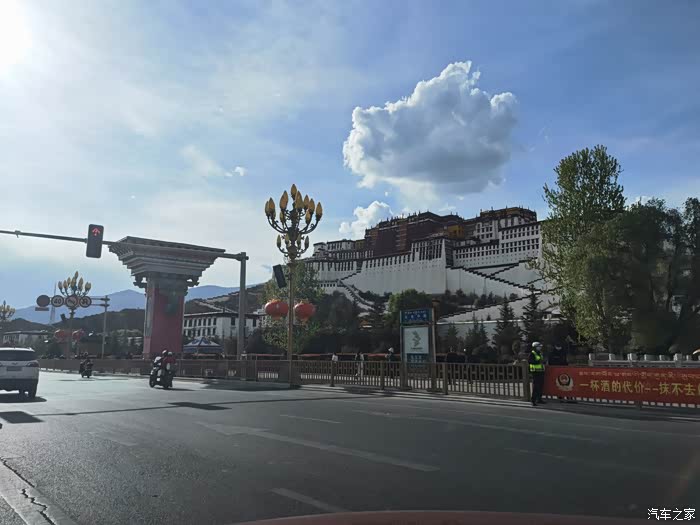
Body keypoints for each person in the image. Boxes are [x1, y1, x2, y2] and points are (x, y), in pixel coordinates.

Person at [529, 341, 546, 406]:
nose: (540, 347)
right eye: (538, 346)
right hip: (535, 372)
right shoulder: (532, 353)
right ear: (535, 347)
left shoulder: (540, 353)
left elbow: (542, 361)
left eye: (540, 346)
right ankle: (533, 400)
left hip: (541, 371)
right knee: (536, 387)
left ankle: (539, 399)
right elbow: (530, 361)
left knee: (541, 386)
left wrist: (543, 362)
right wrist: (538, 361)